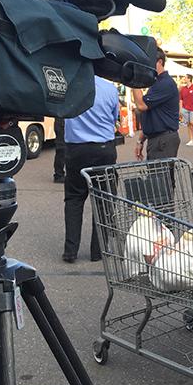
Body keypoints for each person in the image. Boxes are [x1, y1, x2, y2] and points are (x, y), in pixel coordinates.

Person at [62, 76, 120, 263]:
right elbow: (114, 118)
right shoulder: (110, 88)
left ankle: (70, 251)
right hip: (103, 148)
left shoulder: (70, 85)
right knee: (102, 200)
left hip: (76, 148)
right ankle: (98, 251)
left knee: (74, 199)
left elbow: (62, 113)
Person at [132, 48, 181, 161]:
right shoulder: (157, 83)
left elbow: (141, 105)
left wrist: (134, 79)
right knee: (158, 177)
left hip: (163, 140)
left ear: (159, 62)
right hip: (158, 139)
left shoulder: (165, 83)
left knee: (159, 178)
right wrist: (140, 141)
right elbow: (152, 116)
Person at [52, 117, 65, 183]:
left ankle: (59, 174)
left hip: (61, 122)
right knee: (61, 149)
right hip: (62, 122)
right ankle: (58, 175)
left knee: (61, 149)